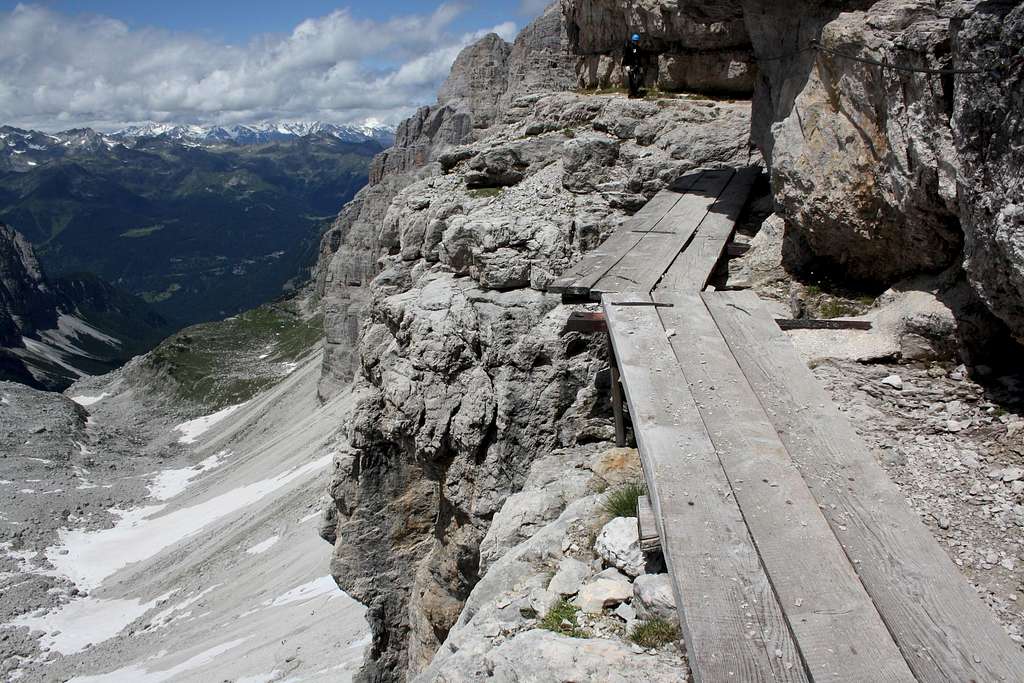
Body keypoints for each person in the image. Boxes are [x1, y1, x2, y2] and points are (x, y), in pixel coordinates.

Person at [622, 33, 644, 98]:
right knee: (631, 80)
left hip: (636, 65)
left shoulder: (638, 48)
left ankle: (635, 92)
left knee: (638, 79)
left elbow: (639, 58)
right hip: (630, 65)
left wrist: (641, 67)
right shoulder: (629, 47)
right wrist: (626, 65)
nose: (636, 42)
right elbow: (625, 56)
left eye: (637, 41)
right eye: (635, 41)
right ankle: (631, 94)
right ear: (632, 41)